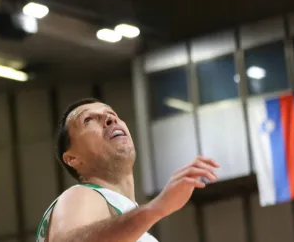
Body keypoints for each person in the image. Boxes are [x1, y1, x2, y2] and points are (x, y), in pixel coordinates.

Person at [37, 98, 220, 242]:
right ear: (73, 158)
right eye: (89, 119)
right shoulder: (81, 194)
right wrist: (157, 208)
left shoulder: (129, 224)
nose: (110, 119)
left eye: (111, 113)